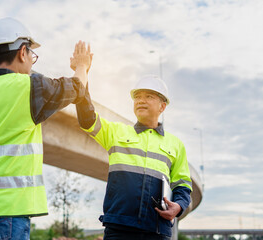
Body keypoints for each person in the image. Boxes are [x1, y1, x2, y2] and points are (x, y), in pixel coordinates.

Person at [0, 18, 91, 240]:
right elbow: (77, 88)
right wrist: (82, 66)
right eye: (32, 56)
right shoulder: (29, 87)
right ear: (22, 52)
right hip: (6, 213)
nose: (32, 62)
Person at [72, 42, 192, 240]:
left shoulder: (175, 145)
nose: (141, 100)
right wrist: (82, 69)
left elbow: (183, 185)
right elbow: (87, 118)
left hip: (157, 229)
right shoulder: (116, 132)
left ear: (162, 106)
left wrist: (178, 206)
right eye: (137, 96)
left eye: (149, 96)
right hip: (119, 228)